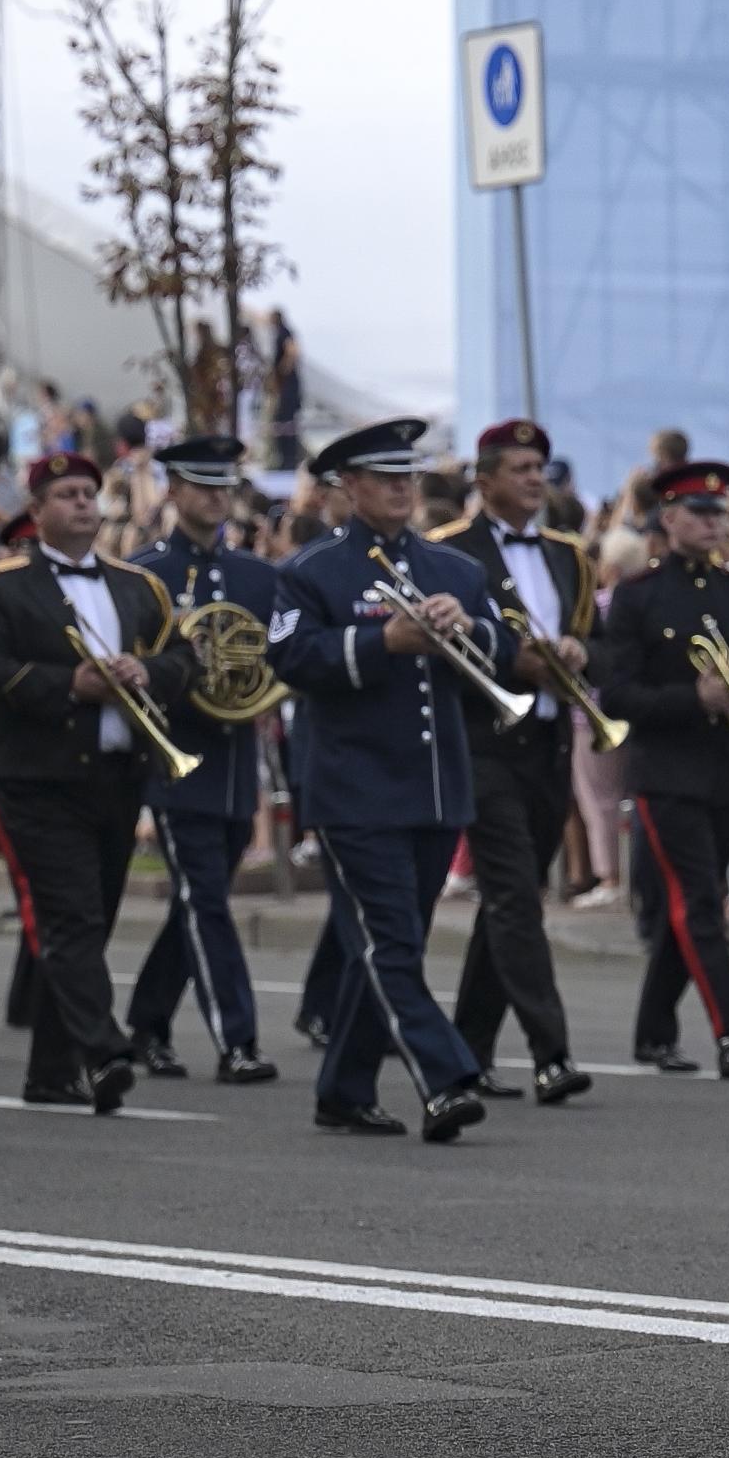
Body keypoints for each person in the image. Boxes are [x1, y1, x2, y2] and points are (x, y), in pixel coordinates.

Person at [267, 416, 500, 1144]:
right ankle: (445, 1076)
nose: (402, 489)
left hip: (435, 787)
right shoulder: (313, 570)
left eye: (408, 477)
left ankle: (342, 1088)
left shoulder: (454, 570)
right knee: (391, 942)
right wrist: (381, 642)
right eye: (385, 478)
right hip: (354, 789)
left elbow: (504, 646)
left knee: (390, 943)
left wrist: (469, 627)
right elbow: (291, 658)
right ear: (351, 486)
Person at [0, 450, 191, 1115]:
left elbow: (182, 657)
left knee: (92, 923)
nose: (83, 503)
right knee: (72, 917)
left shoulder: (135, 586)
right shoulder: (2, 586)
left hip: (118, 777)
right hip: (40, 779)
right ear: (36, 512)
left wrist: (149, 675)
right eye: (66, 494)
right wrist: (71, 686)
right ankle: (105, 1049)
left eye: (89, 492)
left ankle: (50, 1073)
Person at [595, 458, 729, 1079]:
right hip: (664, 770)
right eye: (699, 513)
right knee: (700, 901)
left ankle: (653, 1033)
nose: (712, 523)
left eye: (718, 512)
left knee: (694, 902)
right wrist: (693, 699)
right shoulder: (637, 595)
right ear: (668, 518)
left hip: (724, 766)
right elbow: (617, 695)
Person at [434, 420, 594, 1102]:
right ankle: (550, 1052)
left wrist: (583, 656)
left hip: (548, 741)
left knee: (507, 899)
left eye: (540, 466)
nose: (535, 477)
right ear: (484, 479)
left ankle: (465, 1051)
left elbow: (601, 641)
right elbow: (444, 646)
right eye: (520, 467)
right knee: (514, 894)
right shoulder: (446, 553)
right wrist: (512, 657)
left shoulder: (569, 554)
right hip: (484, 741)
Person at [124, 435, 278, 1082]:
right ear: (175, 490)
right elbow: (132, 660)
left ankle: (146, 1022)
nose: (216, 498)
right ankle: (236, 1040)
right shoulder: (145, 573)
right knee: (207, 900)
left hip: (238, 758)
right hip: (177, 758)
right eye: (202, 486)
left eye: (223, 486)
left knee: (196, 899)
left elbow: (283, 647)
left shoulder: (257, 574)